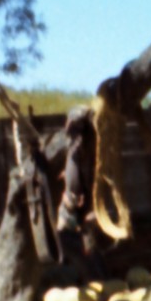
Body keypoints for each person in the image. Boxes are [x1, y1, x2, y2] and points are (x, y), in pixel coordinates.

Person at [56, 107, 106, 281]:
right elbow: (74, 186)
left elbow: (78, 185)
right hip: (76, 212)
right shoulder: (76, 152)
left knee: (86, 250)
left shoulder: (88, 150)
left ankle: (94, 278)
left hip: (84, 211)